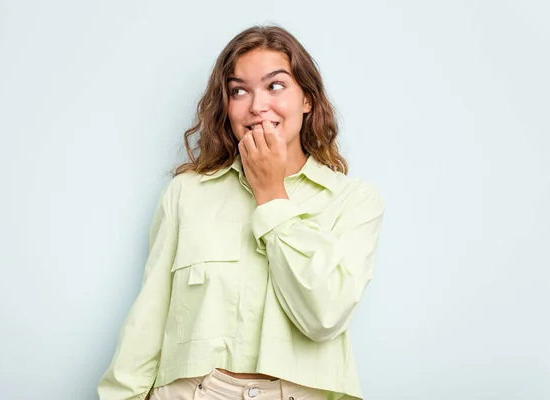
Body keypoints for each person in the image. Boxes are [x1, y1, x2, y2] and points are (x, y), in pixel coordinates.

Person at [97, 24, 385, 400]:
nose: (256, 106)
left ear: (307, 100)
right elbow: (147, 320)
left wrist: (271, 193)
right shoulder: (186, 193)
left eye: (275, 86)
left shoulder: (354, 200)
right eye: (239, 91)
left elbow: (324, 316)